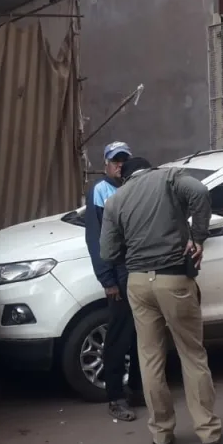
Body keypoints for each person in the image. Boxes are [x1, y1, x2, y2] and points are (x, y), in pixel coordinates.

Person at [100, 157, 223, 444]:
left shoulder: (116, 200)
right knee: (192, 355)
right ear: (150, 168)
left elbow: (108, 251)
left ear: (125, 177)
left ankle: (161, 435)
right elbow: (200, 193)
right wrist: (198, 237)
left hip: (139, 284)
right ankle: (208, 433)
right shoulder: (169, 178)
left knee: (150, 358)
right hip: (174, 279)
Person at [84, 141, 143, 421]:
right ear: (106, 164)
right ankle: (115, 397)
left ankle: (139, 391)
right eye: (115, 161)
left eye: (124, 160)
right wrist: (107, 279)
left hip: (140, 271)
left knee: (143, 334)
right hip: (118, 274)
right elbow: (96, 241)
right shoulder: (100, 191)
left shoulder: (134, 187)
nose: (120, 165)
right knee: (118, 336)